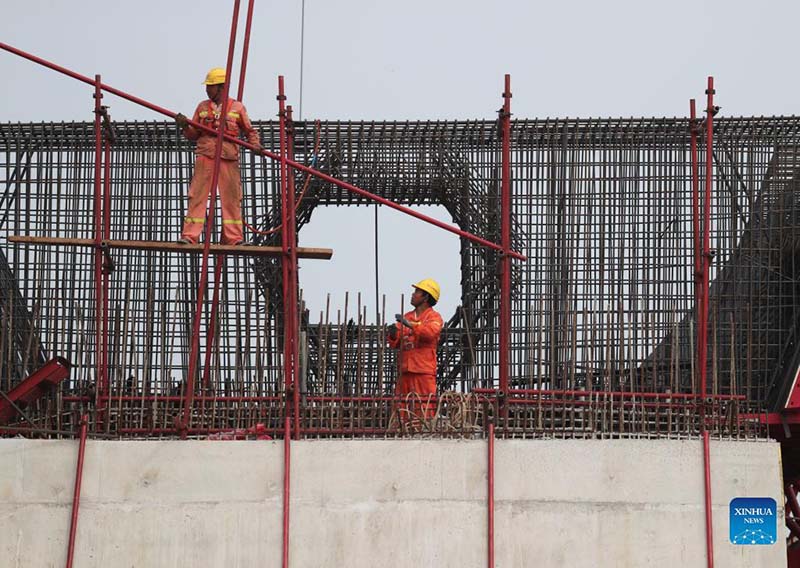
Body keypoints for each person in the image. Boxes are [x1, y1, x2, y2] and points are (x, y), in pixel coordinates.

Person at [174, 67, 261, 245]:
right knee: (197, 195)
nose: (207, 89)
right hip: (206, 155)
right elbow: (193, 134)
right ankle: (190, 236)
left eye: (210, 86)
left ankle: (234, 238)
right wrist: (184, 126)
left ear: (221, 87)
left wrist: (255, 145)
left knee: (231, 198)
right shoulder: (202, 107)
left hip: (228, 157)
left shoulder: (237, 107)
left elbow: (249, 130)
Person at [386, 279, 443, 423]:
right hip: (405, 370)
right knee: (401, 406)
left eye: (417, 292)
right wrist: (393, 334)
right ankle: (402, 432)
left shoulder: (433, 317)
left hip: (423, 371)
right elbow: (397, 342)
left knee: (424, 406)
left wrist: (410, 325)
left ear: (426, 297)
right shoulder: (407, 316)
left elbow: (430, 332)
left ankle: (424, 433)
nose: (413, 295)